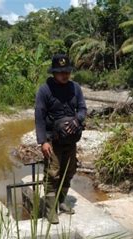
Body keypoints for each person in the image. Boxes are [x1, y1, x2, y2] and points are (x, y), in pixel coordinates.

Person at [35, 54, 87, 224]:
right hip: (53, 141)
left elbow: (82, 109)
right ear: (54, 73)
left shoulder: (75, 88)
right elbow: (39, 117)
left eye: (67, 72)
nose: (65, 75)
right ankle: (51, 210)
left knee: (69, 171)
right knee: (52, 174)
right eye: (61, 72)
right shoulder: (45, 90)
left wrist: (77, 119)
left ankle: (62, 201)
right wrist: (43, 141)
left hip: (71, 140)